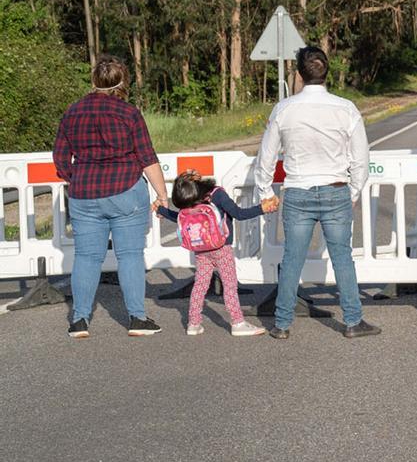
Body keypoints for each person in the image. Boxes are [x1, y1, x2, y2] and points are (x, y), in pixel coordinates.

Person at [253, 46, 380, 340]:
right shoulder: (346, 108)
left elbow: (267, 156)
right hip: (336, 190)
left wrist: (264, 190)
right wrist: (354, 190)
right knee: (342, 258)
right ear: (328, 73)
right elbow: (361, 158)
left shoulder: (284, 109)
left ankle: (282, 324)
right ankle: (352, 320)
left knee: (292, 259)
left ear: (298, 74)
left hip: (297, 191)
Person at [54, 56, 169, 339]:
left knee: (86, 257)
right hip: (125, 191)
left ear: (93, 81)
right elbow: (147, 158)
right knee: (129, 255)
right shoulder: (129, 113)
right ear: (123, 82)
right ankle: (137, 319)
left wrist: (76, 177)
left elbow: (59, 158)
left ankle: (79, 321)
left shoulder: (72, 112)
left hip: (84, 194)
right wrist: (162, 195)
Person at [156, 169, 277, 336]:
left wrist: (161, 210)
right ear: (195, 179)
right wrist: (262, 208)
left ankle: (193, 323)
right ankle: (237, 322)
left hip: (200, 249)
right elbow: (238, 214)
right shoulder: (216, 194)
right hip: (221, 248)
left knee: (200, 285)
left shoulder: (190, 198)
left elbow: (178, 218)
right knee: (230, 286)